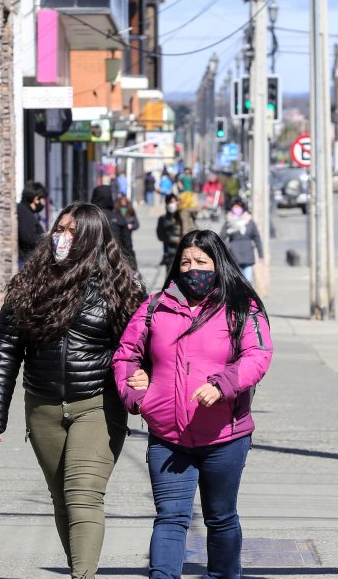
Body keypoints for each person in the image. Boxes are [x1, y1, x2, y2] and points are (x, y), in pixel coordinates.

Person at [0, 202, 146, 579]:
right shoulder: (30, 284)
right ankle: (79, 567)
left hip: (97, 405)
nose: (62, 237)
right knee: (62, 499)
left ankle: (81, 576)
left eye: (72, 232)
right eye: (59, 229)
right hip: (43, 408)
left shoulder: (123, 288)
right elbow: (5, 348)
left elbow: (142, 347)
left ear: (92, 240)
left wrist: (144, 378)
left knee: (83, 495)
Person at [113, 229, 272, 579]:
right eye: (185, 262)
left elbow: (257, 355)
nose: (192, 269)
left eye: (201, 261)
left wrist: (223, 384)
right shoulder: (155, 305)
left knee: (221, 517)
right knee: (170, 517)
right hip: (168, 438)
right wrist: (137, 395)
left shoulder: (242, 306)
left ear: (219, 264)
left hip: (225, 437)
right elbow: (126, 356)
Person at [91, 185, 138, 269]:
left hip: (90, 266)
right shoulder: (120, 219)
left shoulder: (87, 218)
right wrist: (134, 269)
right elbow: (128, 247)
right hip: (114, 265)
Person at [223, 198, 263, 284]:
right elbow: (221, 238)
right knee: (238, 281)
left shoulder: (249, 221)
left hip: (248, 255)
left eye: (239, 207)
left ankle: (247, 297)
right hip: (234, 255)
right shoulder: (228, 222)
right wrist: (228, 247)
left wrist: (261, 255)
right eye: (235, 207)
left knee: (248, 281)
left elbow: (257, 238)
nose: (237, 209)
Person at [18, 181, 49, 268]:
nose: (43, 203)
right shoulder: (23, 212)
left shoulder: (28, 212)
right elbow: (28, 238)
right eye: (43, 200)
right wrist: (46, 236)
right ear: (36, 199)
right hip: (24, 262)